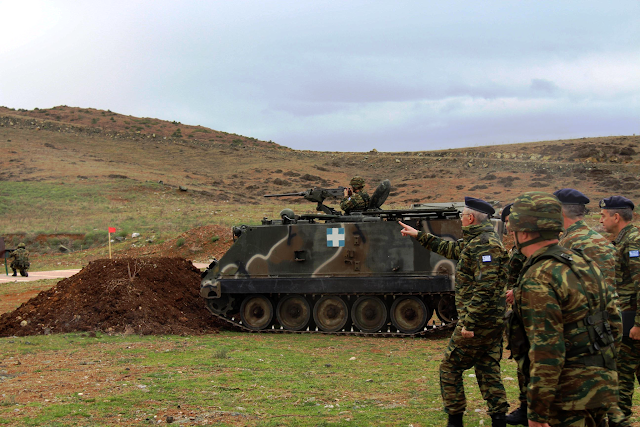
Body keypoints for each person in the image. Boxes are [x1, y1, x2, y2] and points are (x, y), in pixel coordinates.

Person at [510, 192, 620, 427]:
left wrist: (537, 412)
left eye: (514, 230)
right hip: (601, 387)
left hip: (566, 398)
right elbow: (614, 322)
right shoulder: (583, 262)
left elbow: (547, 349)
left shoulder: (539, 276)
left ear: (525, 232)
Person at [400, 196, 509, 427]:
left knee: (450, 368)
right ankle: (499, 419)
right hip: (490, 321)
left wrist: (469, 323)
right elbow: (450, 248)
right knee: (487, 367)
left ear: (470, 218)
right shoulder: (478, 240)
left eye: (462, 216)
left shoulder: (485, 245)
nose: (460, 220)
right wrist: (418, 235)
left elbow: (486, 289)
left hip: (478, 321)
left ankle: (455, 419)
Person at [599, 195, 640, 426]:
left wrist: (639, 323)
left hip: (631, 322)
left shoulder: (633, 242)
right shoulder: (624, 240)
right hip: (627, 319)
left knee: (621, 381)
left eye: (604, 216)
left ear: (616, 216)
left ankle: (620, 420)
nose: (600, 220)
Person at [501, 203, 529, 427]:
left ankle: (532, 409)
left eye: (511, 221)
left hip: (531, 311)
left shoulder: (533, 248)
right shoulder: (517, 247)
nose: (509, 227)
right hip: (519, 310)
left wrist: (518, 292)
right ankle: (526, 406)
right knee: (523, 362)